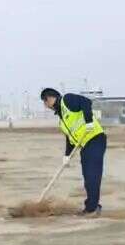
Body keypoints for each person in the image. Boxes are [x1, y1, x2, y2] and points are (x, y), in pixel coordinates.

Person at [40, 87, 107, 215]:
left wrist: (89, 121)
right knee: (88, 177)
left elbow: (86, 102)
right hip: (84, 145)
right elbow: (70, 138)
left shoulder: (67, 100)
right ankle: (92, 206)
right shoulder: (62, 120)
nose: (46, 106)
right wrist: (66, 156)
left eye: (45, 102)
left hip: (95, 139)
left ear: (49, 99)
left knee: (92, 175)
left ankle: (92, 208)